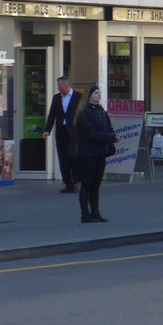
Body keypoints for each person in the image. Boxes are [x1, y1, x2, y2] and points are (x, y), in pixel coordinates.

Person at [70, 85, 115, 223]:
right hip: (87, 153)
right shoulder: (84, 113)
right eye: (96, 93)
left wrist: (111, 136)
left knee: (96, 185)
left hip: (100, 152)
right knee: (87, 184)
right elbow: (90, 133)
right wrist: (110, 137)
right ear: (89, 96)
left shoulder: (101, 111)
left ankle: (96, 212)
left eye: (99, 93)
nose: (99, 95)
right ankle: (85, 214)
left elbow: (109, 127)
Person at [43, 76, 83, 193]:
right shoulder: (56, 98)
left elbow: (83, 114)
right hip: (61, 131)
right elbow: (52, 115)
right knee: (63, 159)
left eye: (59, 86)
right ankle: (69, 184)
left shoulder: (79, 97)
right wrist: (47, 130)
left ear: (66, 85)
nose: (58, 88)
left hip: (74, 132)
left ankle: (77, 178)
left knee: (72, 156)